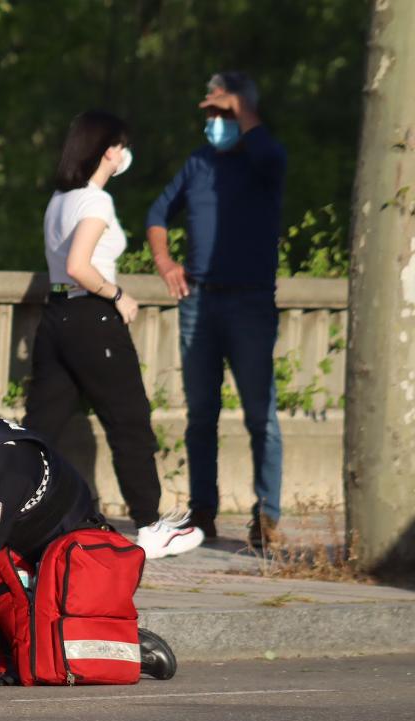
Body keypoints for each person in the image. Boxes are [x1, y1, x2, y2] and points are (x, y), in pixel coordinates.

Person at [24, 109, 203, 560]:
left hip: (56, 318)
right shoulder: (95, 201)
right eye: (120, 146)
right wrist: (117, 293)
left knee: (42, 426)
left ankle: (15, 512)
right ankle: (149, 525)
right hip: (92, 317)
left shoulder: (58, 200)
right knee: (129, 420)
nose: (124, 154)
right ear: (108, 150)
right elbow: (79, 265)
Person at [145, 72, 286, 549]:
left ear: (243, 111)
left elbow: (269, 152)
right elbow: (157, 214)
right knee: (201, 413)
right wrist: (165, 262)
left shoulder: (264, 155)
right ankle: (203, 512)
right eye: (209, 113)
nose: (213, 122)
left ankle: (267, 517)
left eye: (222, 112)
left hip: (249, 300)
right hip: (200, 300)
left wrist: (240, 107)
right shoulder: (198, 163)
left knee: (260, 415)